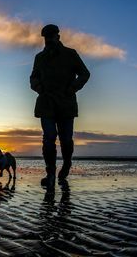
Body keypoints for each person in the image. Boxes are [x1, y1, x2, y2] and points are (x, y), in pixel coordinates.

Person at [30, 24, 90, 188]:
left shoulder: (70, 54)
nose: (49, 39)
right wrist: (39, 88)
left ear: (58, 36)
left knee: (65, 140)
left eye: (52, 35)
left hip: (66, 104)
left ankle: (67, 164)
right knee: (48, 138)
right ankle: (50, 173)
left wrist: (72, 88)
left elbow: (85, 73)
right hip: (46, 104)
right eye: (46, 36)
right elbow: (33, 78)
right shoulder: (39, 57)